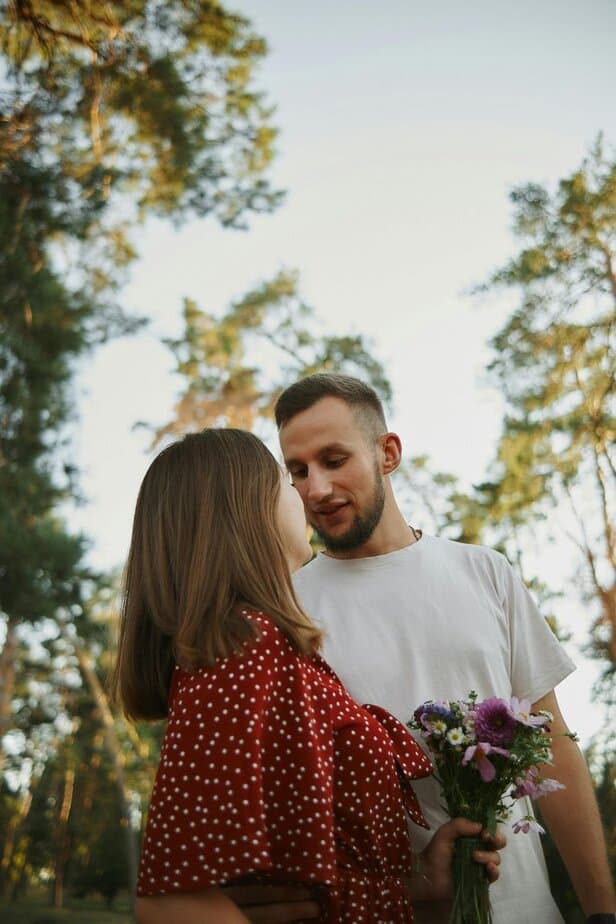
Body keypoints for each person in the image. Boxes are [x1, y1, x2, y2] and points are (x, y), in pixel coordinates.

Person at [111, 428, 503, 924]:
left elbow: (315, 885)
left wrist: (420, 880)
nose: (302, 494)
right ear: (246, 511)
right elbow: (171, 902)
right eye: (284, 479)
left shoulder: (275, 650)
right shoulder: (245, 646)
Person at [271, 372, 616, 924]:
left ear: (388, 453)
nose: (315, 488)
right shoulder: (287, 611)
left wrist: (602, 912)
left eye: (334, 460)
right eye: (298, 470)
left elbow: (554, 746)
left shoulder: (486, 572)